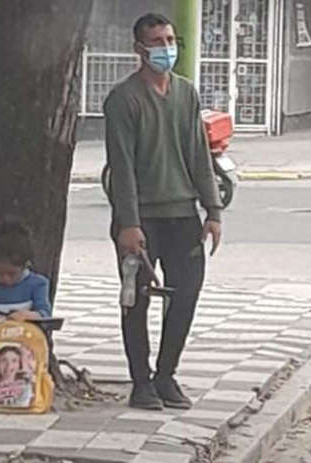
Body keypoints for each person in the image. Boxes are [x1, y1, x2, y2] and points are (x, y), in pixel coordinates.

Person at [103, 13, 223, 411]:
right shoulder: (123, 99)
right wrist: (129, 223)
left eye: (170, 40)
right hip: (140, 219)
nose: (165, 48)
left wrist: (213, 209)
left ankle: (166, 374)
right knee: (136, 299)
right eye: (156, 41)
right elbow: (121, 167)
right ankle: (141, 382)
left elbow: (199, 154)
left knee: (186, 292)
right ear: (139, 49)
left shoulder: (187, 94)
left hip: (182, 214)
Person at [0, 220, 52, 333]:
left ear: (26, 265)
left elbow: (45, 314)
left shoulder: (38, 284)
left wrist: (29, 315)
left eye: (12, 274)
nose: (5, 279)